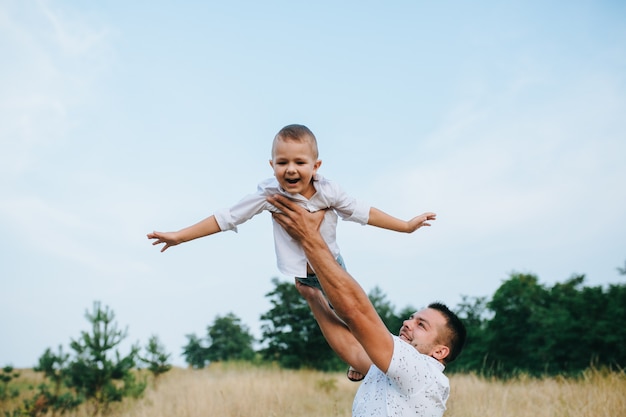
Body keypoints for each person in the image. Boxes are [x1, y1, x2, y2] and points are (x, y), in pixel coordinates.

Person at [148, 124, 436, 291]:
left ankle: (361, 359)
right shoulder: (269, 194)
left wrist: (406, 226)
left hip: (333, 263)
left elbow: (364, 213)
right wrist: (180, 236)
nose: (291, 170)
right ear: (272, 165)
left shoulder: (329, 191)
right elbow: (227, 218)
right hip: (301, 272)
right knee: (326, 319)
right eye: (283, 163)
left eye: (300, 162)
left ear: (315, 166)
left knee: (352, 310)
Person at [267, 193, 466, 417]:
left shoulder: (424, 373)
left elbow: (356, 312)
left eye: (422, 325)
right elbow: (351, 348)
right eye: (412, 317)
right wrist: (314, 297)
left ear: (440, 351)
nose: (408, 323)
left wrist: (310, 238)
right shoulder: (392, 370)